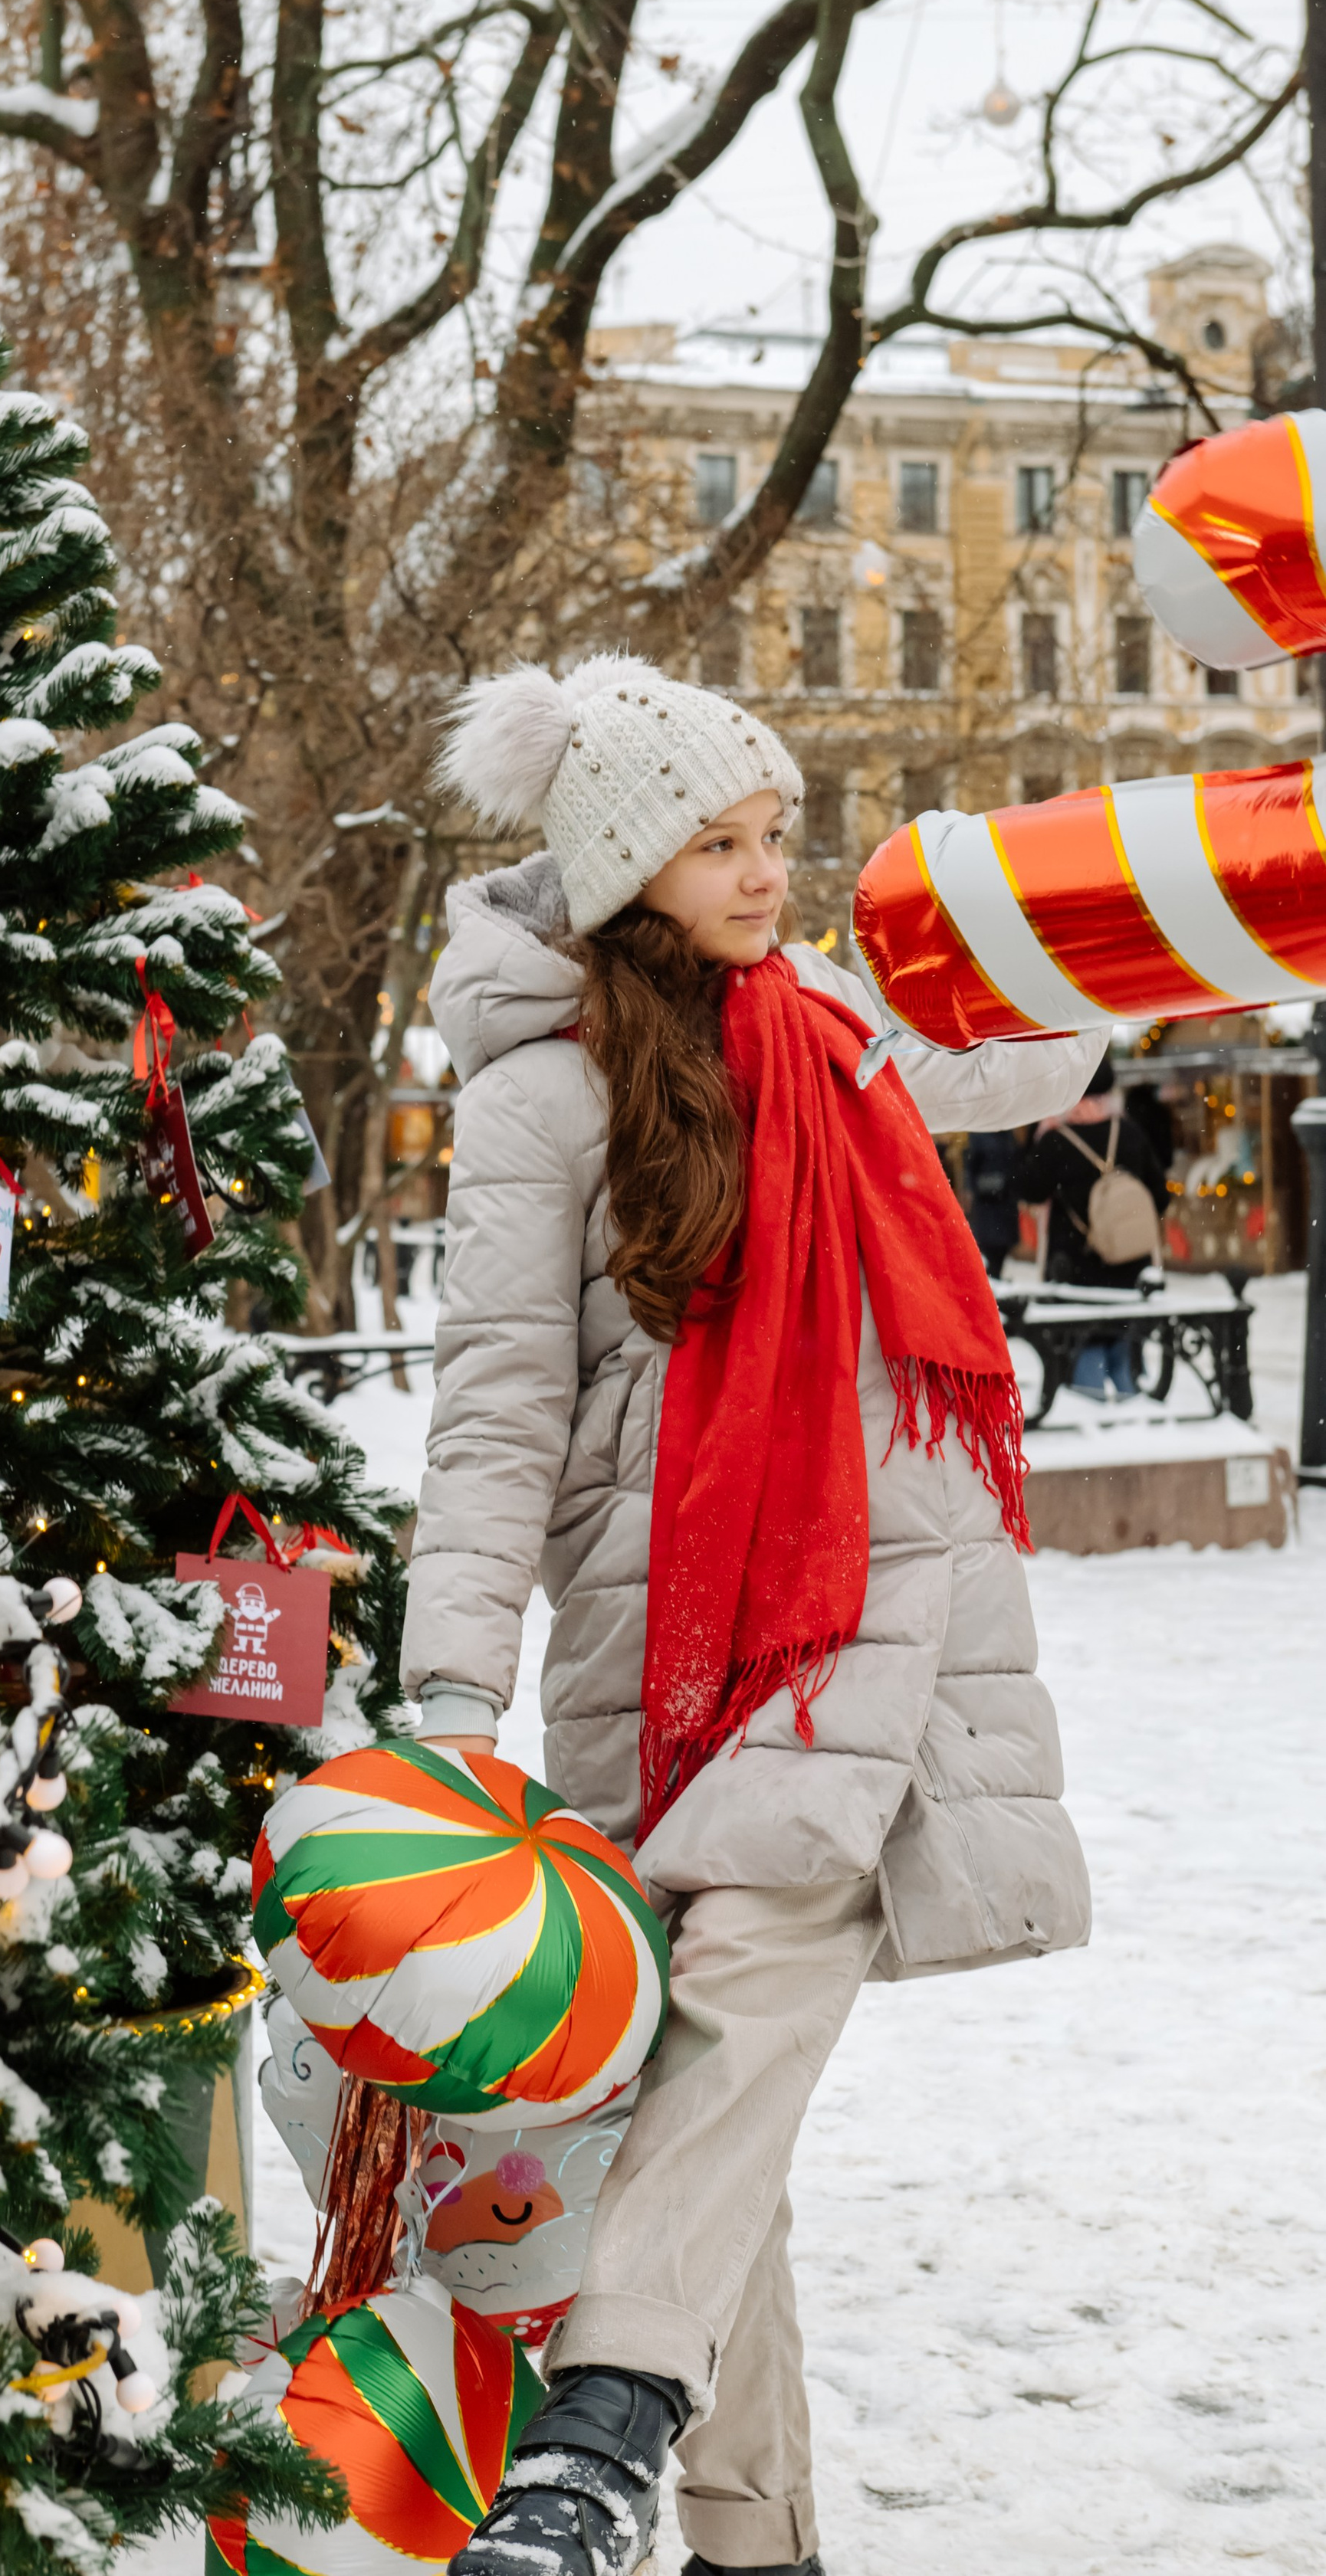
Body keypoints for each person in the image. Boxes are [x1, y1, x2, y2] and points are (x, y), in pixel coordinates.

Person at [405, 656, 1108, 2576]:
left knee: (753, 1965)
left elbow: (1042, 1042)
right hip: (647, 1642)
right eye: (713, 839)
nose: (758, 869)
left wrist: (1145, 911)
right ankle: (750, 2536)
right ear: (627, 864)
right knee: (695, 2082)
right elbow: (492, 1408)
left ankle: (602, 2416)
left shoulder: (845, 1028)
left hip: (853, 1599)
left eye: (768, 831)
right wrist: (448, 1684)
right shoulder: (538, 1102)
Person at [1013, 1054, 1168, 1398]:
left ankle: (1096, 1427)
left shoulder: (1055, 1140)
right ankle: (1138, 1435)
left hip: (1077, 1277)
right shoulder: (1128, 1133)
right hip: (1131, 1273)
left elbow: (1027, 1188)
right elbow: (1160, 1195)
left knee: (1086, 1373)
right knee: (1128, 1369)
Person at [963, 1126, 1023, 1279]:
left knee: (1001, 1250)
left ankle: (995, 1281)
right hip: (987, 1203)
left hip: (1005, 1202)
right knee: (988, 1251)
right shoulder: (979, 1134)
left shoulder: (1009, 1132)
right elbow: (971, 1167)